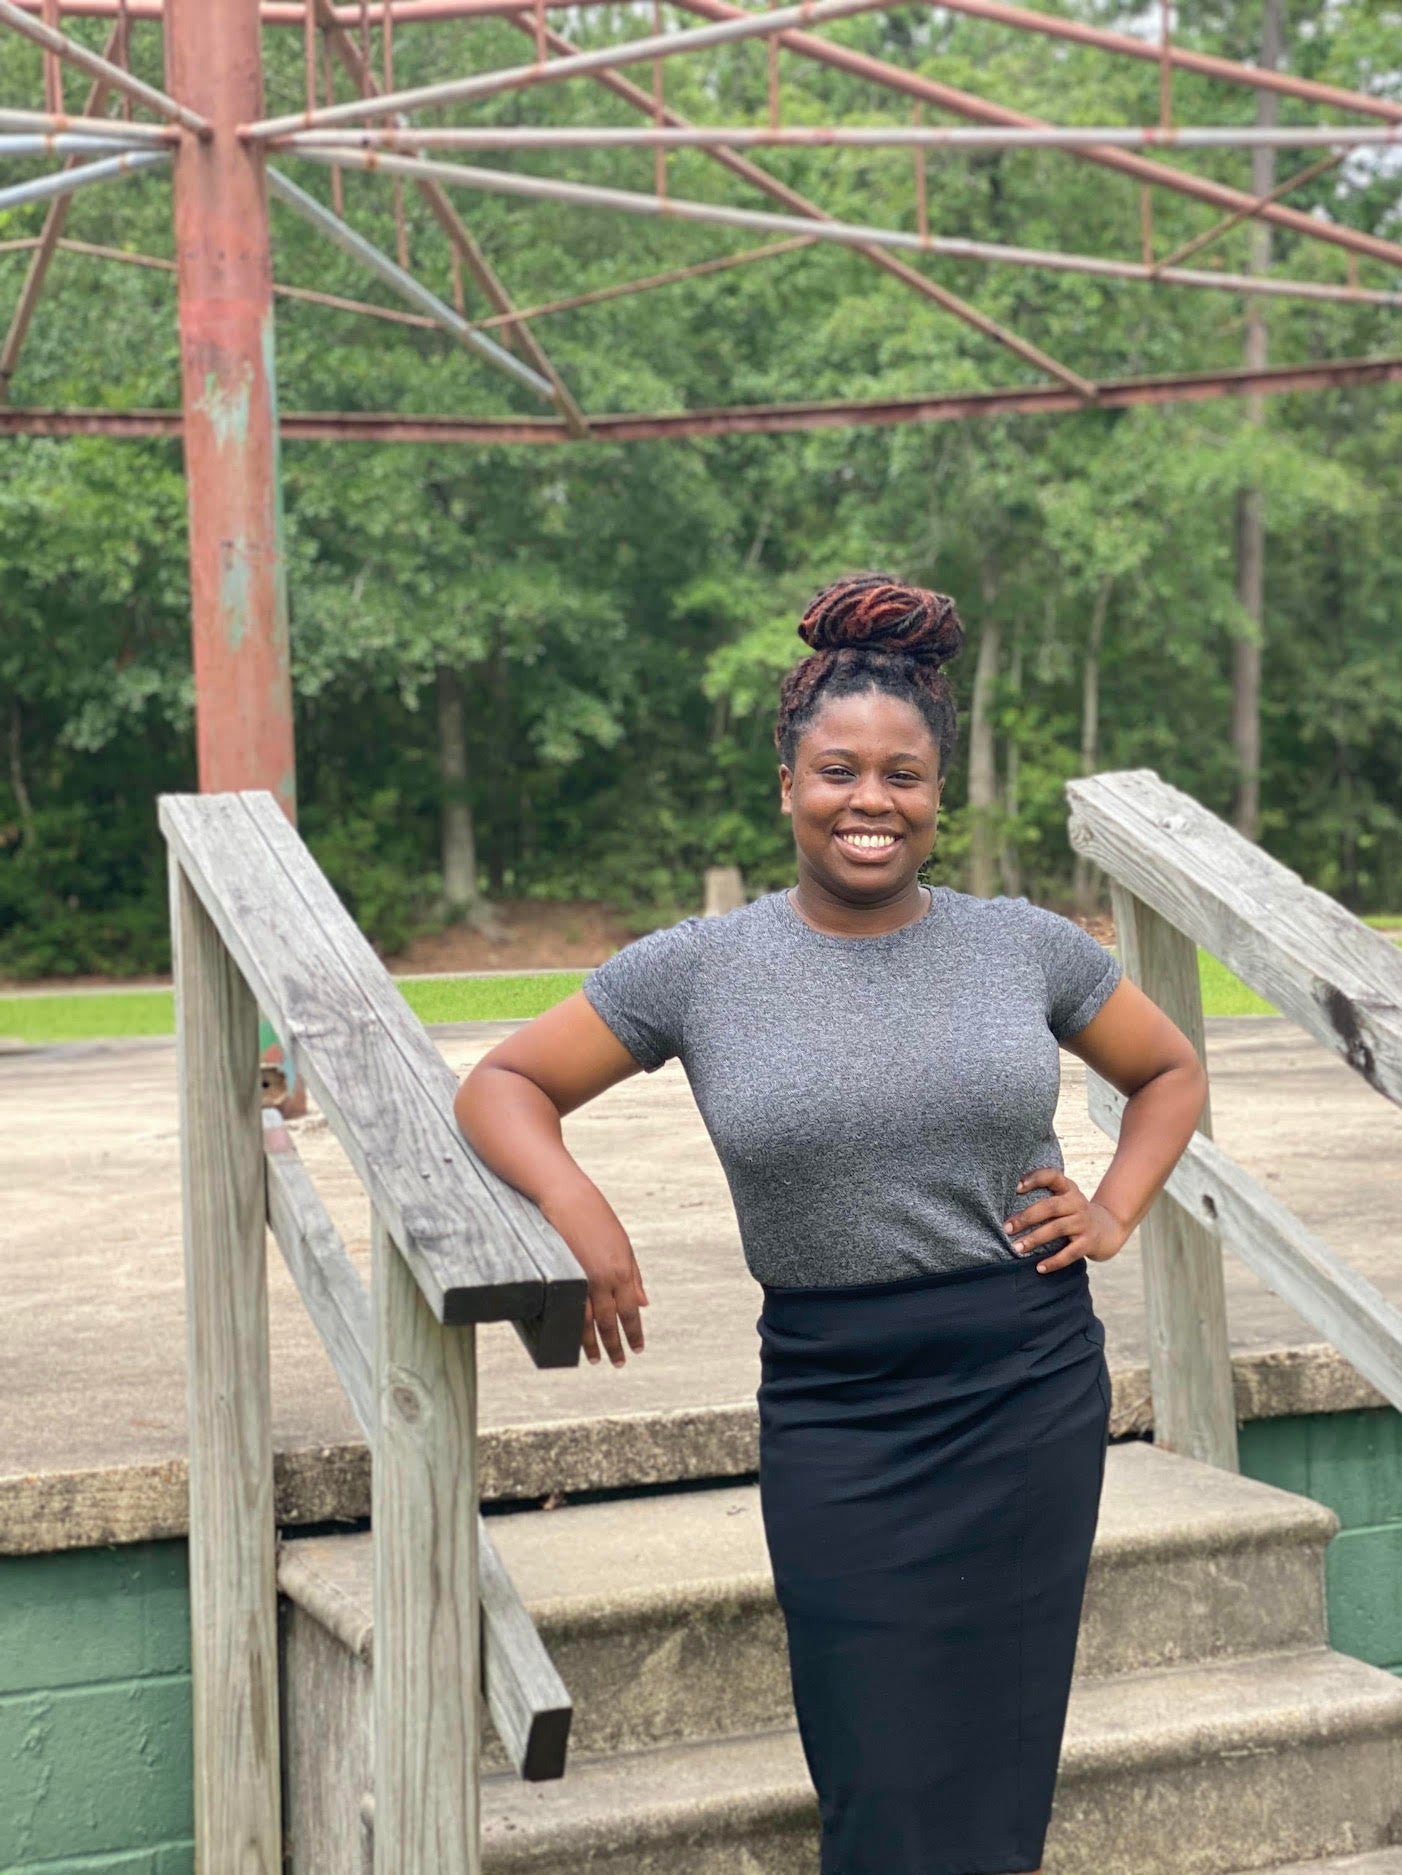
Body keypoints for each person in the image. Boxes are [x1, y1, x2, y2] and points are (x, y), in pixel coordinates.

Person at [452, 572, 1210, 1875]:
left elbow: (1171, 1070)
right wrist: (580, 1211)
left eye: (904, 777)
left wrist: (1117, 1206)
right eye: (840, 772)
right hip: (836, 1401)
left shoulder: (1021, 947)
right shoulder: (700, 966)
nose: (873, 802)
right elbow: (502, 1083)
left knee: (999, 1748)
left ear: (937, 795)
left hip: (1024, 1383)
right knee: (871, 1756)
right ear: (788, 786)